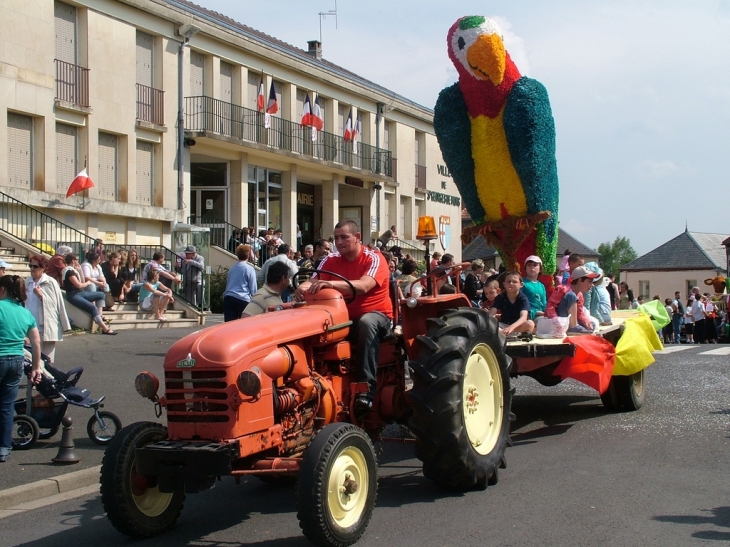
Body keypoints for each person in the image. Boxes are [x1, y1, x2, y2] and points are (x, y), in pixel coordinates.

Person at [295, 219, 392, 419]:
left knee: (367, 323)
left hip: (376, 316)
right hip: (340, 317)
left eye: (344, 237)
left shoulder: (373, 258)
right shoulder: (329, 260)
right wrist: (301, 289)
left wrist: (328, 284)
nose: (339, 242)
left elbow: (364, 285)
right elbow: (312, 281)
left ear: (357, 238)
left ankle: (366, 390)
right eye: (336, 238)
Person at [0, 274, 43, 463]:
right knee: (6, 406)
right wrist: (36, 368)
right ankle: (3, 448)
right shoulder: (25, 313)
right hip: (17, 360)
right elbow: (36, 342)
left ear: (2, 290)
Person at [24, 254, 70, 362]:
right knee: (31, 364)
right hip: (29, 327)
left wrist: (41, 296)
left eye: (35, 267)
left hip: (46, 327)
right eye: (30, 266)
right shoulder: (27, 282)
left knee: (46, 364)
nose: (32, 269)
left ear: (43, 267)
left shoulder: (51, 282)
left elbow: (56, 304)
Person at [61, 254, 117, 334]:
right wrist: (87, 283)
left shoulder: (74, 270)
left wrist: (80, 270)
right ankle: (105, 329)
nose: (78, 261)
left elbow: (82, 281)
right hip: (73, 295)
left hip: (81, 292)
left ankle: (99, 315)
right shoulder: (68, 271)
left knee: (101, 295)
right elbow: (79, 285)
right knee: (92, 308)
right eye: (77, 259)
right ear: (73, 261)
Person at [546, 265, 599, 333]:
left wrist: (586, 321)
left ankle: (574, 326)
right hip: (559, 321)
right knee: (571, 296)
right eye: (590, 281)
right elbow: (550, 305)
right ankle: (573, 326)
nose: (592, 285)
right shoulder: (562, 289)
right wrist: (556, 321)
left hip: (569, 321)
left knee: (592, 324)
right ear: (580, 280)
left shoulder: (580, 295)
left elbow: (579, 312)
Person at [488, 270, 535, 335]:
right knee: (489, 323)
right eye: (508, 281)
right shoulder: (500, 297)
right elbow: (492, 314)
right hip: (503, 325)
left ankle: (504, 334)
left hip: (517, 326)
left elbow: (523, 317)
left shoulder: (523, 299)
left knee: (530, 324)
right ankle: (504, 333)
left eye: (515, 282)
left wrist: (511, 328)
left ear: (521, 284)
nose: (511, 284)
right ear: (504, 284)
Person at [222, 244, 257, 321]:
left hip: (229, 296)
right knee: (244, 324)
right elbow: (253, 287)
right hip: (243, 298)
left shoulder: (232, 268)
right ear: (248, 255)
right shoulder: (249, 269)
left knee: (229, 324)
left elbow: (228, 283)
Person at [520, 255, 546, 320]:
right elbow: (519, 303)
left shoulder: (541, 285)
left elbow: (544, 304)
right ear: (525, 268)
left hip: (542, 315)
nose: (532, 267)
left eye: (535, 265)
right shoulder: (521, 283)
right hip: (527, 316)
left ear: (540, 269)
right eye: (529, 265)